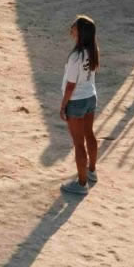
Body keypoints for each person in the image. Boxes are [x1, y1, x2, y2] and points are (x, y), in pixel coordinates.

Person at [58, 16, 100, 196]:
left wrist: (63, 105)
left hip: (76, 101)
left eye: (75, 26)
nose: (72, 27)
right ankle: (91, 171)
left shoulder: (76, 56)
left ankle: (81, 183)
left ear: (80, 32)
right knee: (89, 134)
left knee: (78, 143)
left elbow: (70, 85)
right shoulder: (93, 49)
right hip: (91, 96)